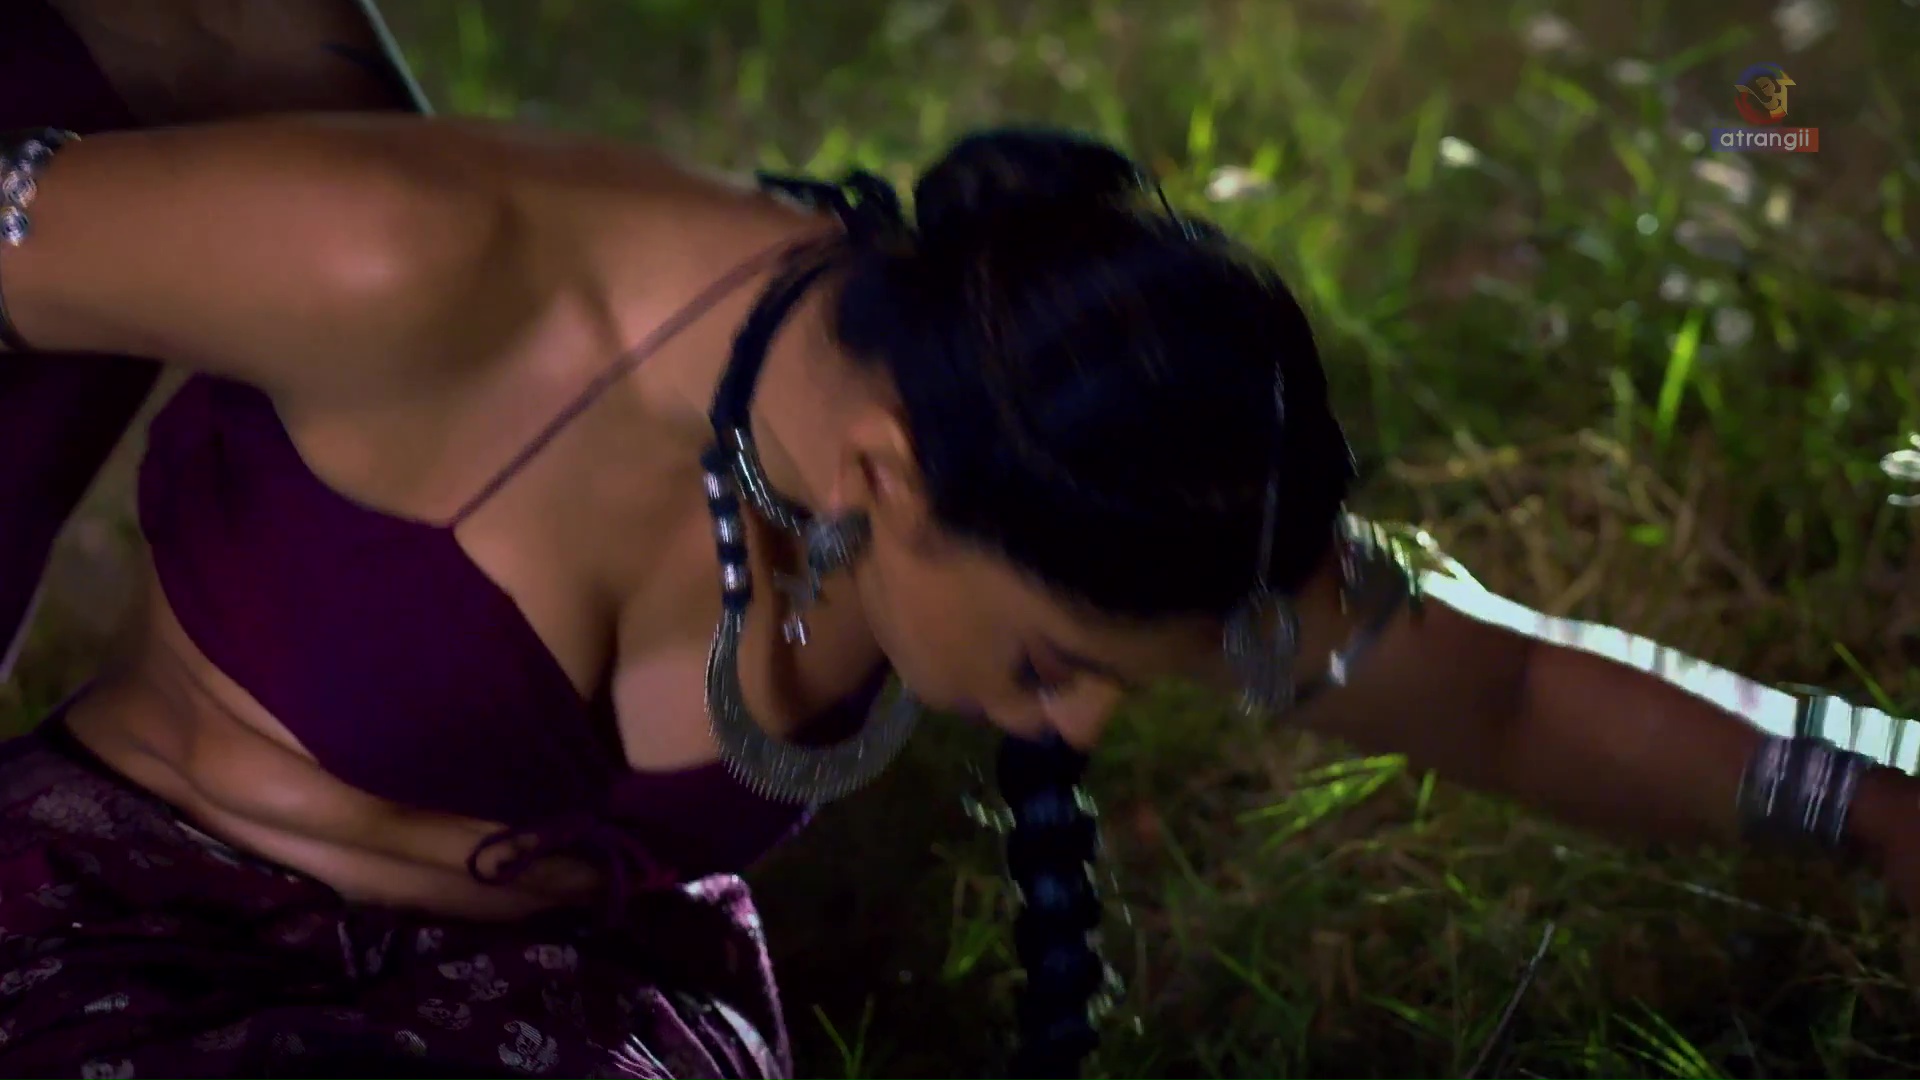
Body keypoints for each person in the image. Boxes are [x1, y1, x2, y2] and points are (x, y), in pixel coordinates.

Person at [1, 2, 1915, 1077]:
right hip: (115, 938)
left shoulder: (1091, 473)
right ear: (888, 477)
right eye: (1057, 664)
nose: (1073, 725)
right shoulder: (422, 267)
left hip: (566, 1023)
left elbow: (1500, 696)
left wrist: (1885, 798)